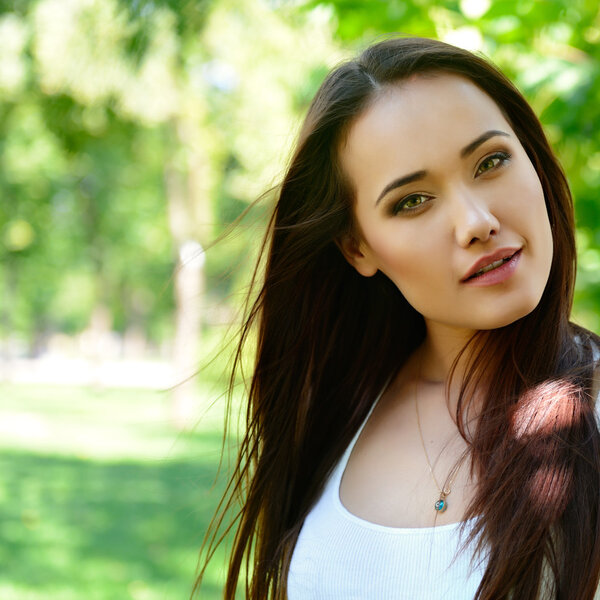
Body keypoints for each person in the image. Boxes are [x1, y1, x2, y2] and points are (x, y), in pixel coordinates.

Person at [196, 37, 600, 600]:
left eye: (491, 162)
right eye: (412, 200)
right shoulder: (340, 406)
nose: (476, 221)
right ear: (358, 247)